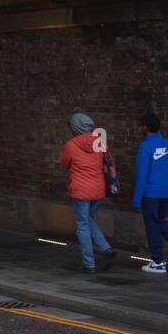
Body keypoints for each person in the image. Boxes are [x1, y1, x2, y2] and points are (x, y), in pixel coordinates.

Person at [133, 112, 168, 274]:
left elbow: (142, 174)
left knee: (152, 226)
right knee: (159, 221)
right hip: (166, 192)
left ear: (144, 127)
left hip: (150, 193)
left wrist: (137, 199)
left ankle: (158, 261)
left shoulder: (145, 147)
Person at [59, 112, 116, 274]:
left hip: (81, 190)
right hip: (98, 189)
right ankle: (106, 249)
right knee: (89, 219)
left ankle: (88, 264)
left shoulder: (71, 145)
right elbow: (107, 162)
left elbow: (64, 163)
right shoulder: (100, 142)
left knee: (82, 225)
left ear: (75, 127)